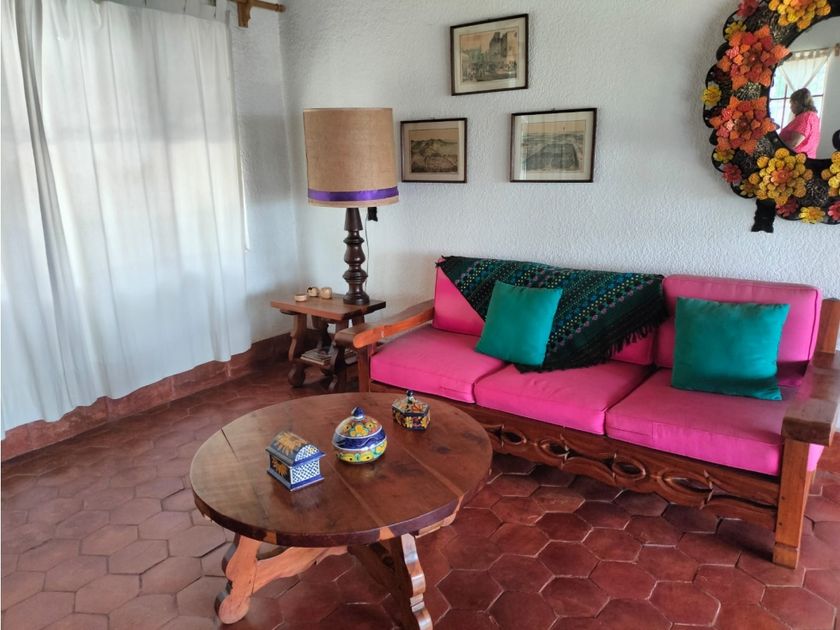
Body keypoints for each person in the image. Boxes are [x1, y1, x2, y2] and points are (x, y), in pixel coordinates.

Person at [778, 88, 821, 158]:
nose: (790, 107)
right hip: (804, 159)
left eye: (791, 103)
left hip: (795, 160)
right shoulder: (813, 116)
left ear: (796, 103)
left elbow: (794, 143)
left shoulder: (806, 117)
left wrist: (775, 145)